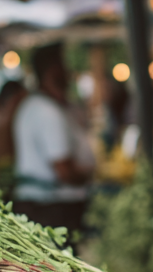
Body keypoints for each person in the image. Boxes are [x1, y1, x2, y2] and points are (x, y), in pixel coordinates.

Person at [12, 44, 95, 235]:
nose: (69, 72)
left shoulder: (35, 105)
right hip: (51, 210)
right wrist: (90, 176)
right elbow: (63, 170)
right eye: (64, 65)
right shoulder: (47, 111)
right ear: (53, 70)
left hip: (44, 207)